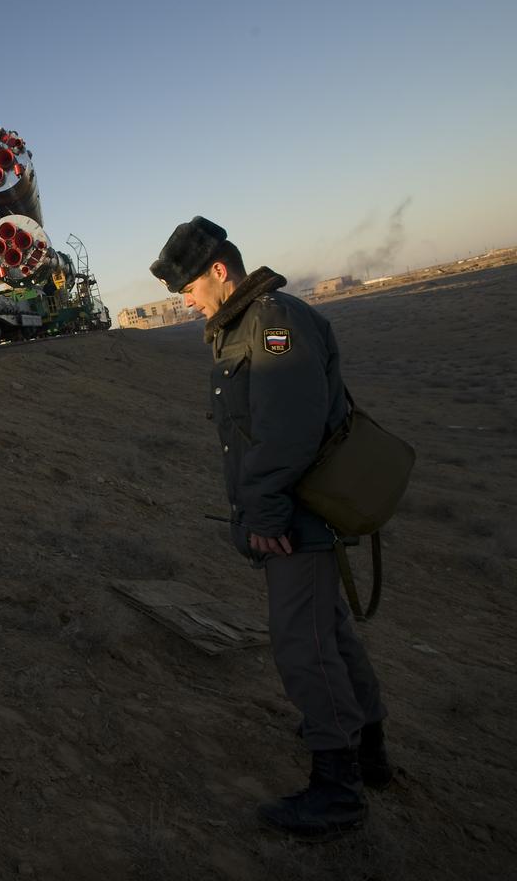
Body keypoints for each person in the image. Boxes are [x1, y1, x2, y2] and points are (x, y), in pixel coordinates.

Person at [150, 216, 392, 840]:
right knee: (329, 632)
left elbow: (286, 433)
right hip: (294, 509)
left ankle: (338, 790)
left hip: (295, 516)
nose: (186, 298)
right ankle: (367, 748)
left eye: (189, 287)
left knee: (302, 646)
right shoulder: (246, 324)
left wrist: (264, 514)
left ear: (219, 272)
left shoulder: (272, 324)